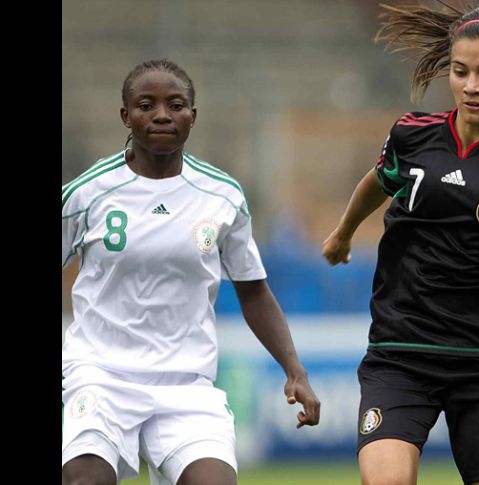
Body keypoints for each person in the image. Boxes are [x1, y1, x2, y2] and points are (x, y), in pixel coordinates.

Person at [322, 1, 479, 484]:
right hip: (400, 354)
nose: (471, 86)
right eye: (460, 72)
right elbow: (376, 182)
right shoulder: (412, 135)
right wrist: (342, 234)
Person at [62, 59, 321, 485]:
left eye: (175, 105)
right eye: (146, 105)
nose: (162, 114)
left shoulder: (222, 196)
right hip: (100, 376)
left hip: (187, 386)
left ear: (192, 117)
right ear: (125, 115)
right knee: (85, 479)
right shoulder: (88, 193)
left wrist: (296, 371)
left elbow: (253, 291)